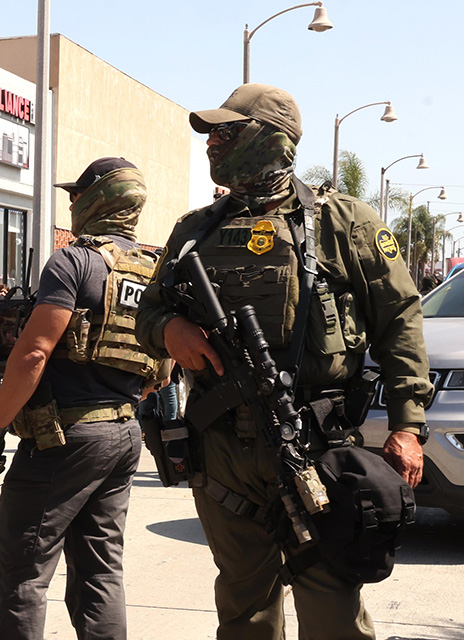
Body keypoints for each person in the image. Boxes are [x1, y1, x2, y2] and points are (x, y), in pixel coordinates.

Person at [135, 84, 431, 640]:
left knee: (331, 607)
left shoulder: (345, 223)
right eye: (212, 133)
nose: (213, 145)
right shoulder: (196, 229)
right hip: (222, 449)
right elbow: (149, 310)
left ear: (273, 139)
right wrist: (169, 329)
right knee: (244, 610)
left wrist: (408, 424)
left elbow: (400, 319)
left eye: (229, 131)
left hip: (314, 441)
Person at [0, 157, 163, 640]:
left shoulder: (74, 260)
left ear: (98, 199)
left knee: (22, 572)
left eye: (76, 195)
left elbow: (33, 354)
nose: (71, 202)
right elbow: (160, 368)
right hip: (124, 432)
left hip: (65, 437)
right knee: (101, 571)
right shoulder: (151, 271)